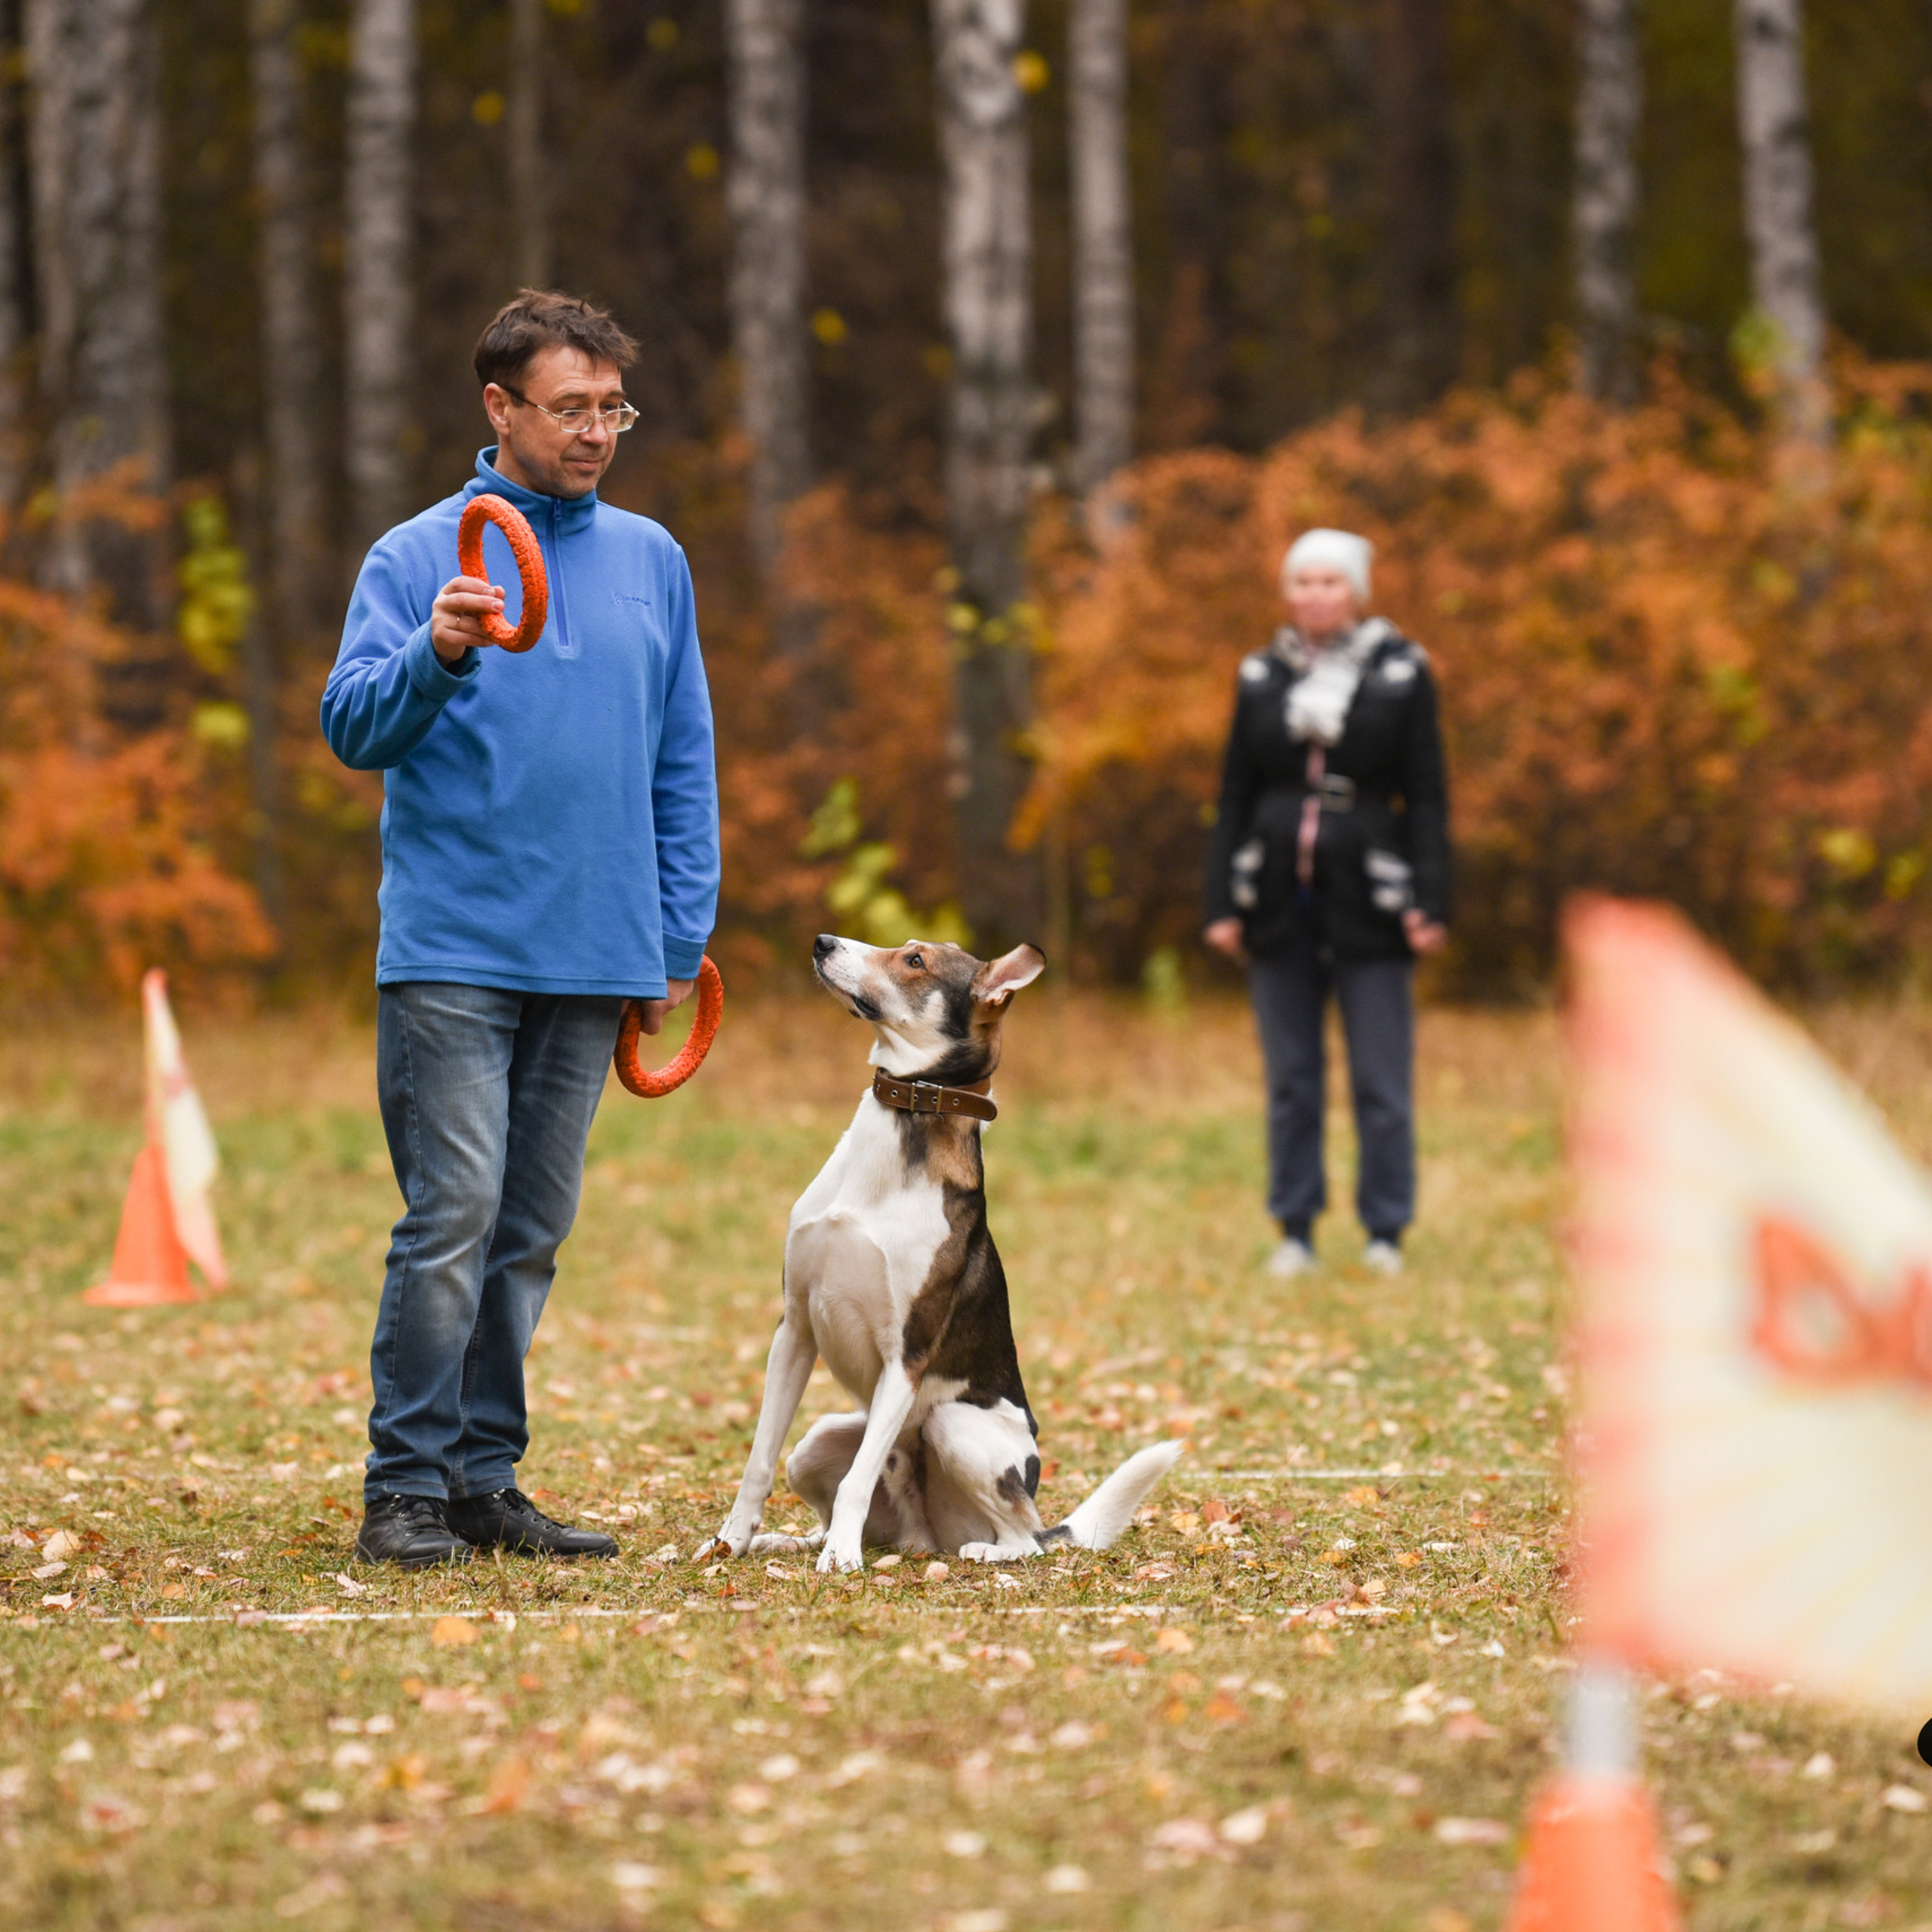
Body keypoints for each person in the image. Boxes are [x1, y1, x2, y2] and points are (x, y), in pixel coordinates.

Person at [321, 291, 719, 1567]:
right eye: (571, 410)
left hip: (598, 947)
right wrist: (433, 655)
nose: (598, 433)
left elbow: (682, 760)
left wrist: (674, 934)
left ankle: (487, 1480)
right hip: (454, 950)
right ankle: (407, 1489)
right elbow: (352, 729)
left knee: (531, 1231)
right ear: (500, 409)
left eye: (614, 409)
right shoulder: (419, 556)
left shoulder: (654, 559)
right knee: (453, 1218)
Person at [1203, 529, 1448, 1278]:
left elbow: (1428, 795)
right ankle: (1296, 1229)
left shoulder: (1402, 672)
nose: (1314, 595)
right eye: (1301, 582)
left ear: (1357, 591)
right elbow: (1234, 793)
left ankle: (1384, 1230)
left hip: (1372, 898)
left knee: (1380, 1078)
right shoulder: (1258, 675)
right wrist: (1220, 901)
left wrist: (1430, 899)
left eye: (1330, 582)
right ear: (1287, 594)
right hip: (1277, 898)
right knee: (1291, 1079)